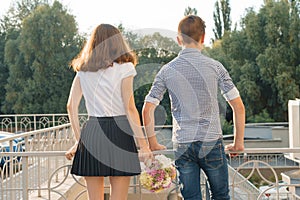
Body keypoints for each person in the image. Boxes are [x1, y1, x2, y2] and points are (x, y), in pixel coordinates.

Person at [142, 15, 245, 200]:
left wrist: (152, 143)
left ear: (178, 39)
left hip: (183, 143)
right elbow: (238, 106)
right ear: (203, 38)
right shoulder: (216, 67)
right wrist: (238, 142)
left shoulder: (166, 70)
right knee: (221, 195)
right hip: (211, 141)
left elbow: (147, 108)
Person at [65, 24, 152, 200]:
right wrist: (143, 145)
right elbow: (129, 108)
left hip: (92, 132)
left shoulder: (83, 69)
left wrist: (78, 140)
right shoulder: (125, 67)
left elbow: (71, 106)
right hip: (119, 131)